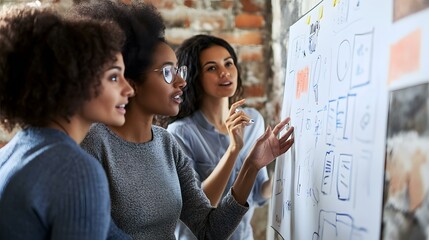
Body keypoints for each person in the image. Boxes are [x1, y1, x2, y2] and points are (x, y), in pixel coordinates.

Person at [75, 1, 295, 239]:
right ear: (132, 82)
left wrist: (251, 165)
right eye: (168, 72)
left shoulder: (166, 143)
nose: (181, 82)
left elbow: (210, 230)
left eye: (180, 71)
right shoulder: (94, 145)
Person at [0, 5, 134, 240]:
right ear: (73, 81)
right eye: (114, 77)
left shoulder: (13, 152)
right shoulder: (76, 171)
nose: (129, 89)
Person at [167, 34, 271, 240]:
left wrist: (288, 172)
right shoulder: (179, 134)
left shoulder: (253, 121)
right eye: (212, 68)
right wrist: (233, 150)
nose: (225, 73)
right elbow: (198, 209)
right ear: (195, 76)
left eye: (229, 63)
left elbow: (260, 193)